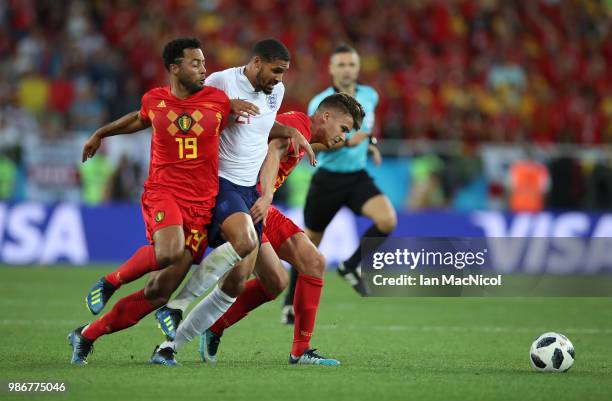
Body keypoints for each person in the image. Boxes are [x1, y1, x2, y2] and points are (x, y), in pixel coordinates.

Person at [150, 93, 365, 366]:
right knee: (235, 280)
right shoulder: (297, 122)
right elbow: (275, 148)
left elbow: (296, 145)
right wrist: (267, 195)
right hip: (247, 203)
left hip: (258, 204)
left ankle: (291, 349)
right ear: (325, 117)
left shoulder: (305, 133)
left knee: (289, 274)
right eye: (343, 129)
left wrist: (356, 144)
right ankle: (169, 345)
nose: (343, 136)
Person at [68, 37, 232, 365]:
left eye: (203, 62)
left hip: (202, 205)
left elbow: (255, 129)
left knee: (158, 292)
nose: (204, 69)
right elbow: (138, 119)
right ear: (174, 68)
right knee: (169, 250)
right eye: (195, 63)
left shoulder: (219, 101)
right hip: (164, 192)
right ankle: (111, 280)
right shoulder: (155, 100)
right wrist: (101, 133)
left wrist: (292, 133)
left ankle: (86, 335)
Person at [282, 44, 396, 322]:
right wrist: (346, 143)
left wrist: (369, 144)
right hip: (328, 181)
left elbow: (367, 131)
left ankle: (350, 265)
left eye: (351, 64)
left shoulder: (370, 96)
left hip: (357, 177)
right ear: (332, 69)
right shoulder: (321, 104)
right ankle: (288, 304)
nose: (347, 70)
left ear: (358, 68)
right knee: (309, 247)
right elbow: (312, 145)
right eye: (341, 65)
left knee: (387, 221)